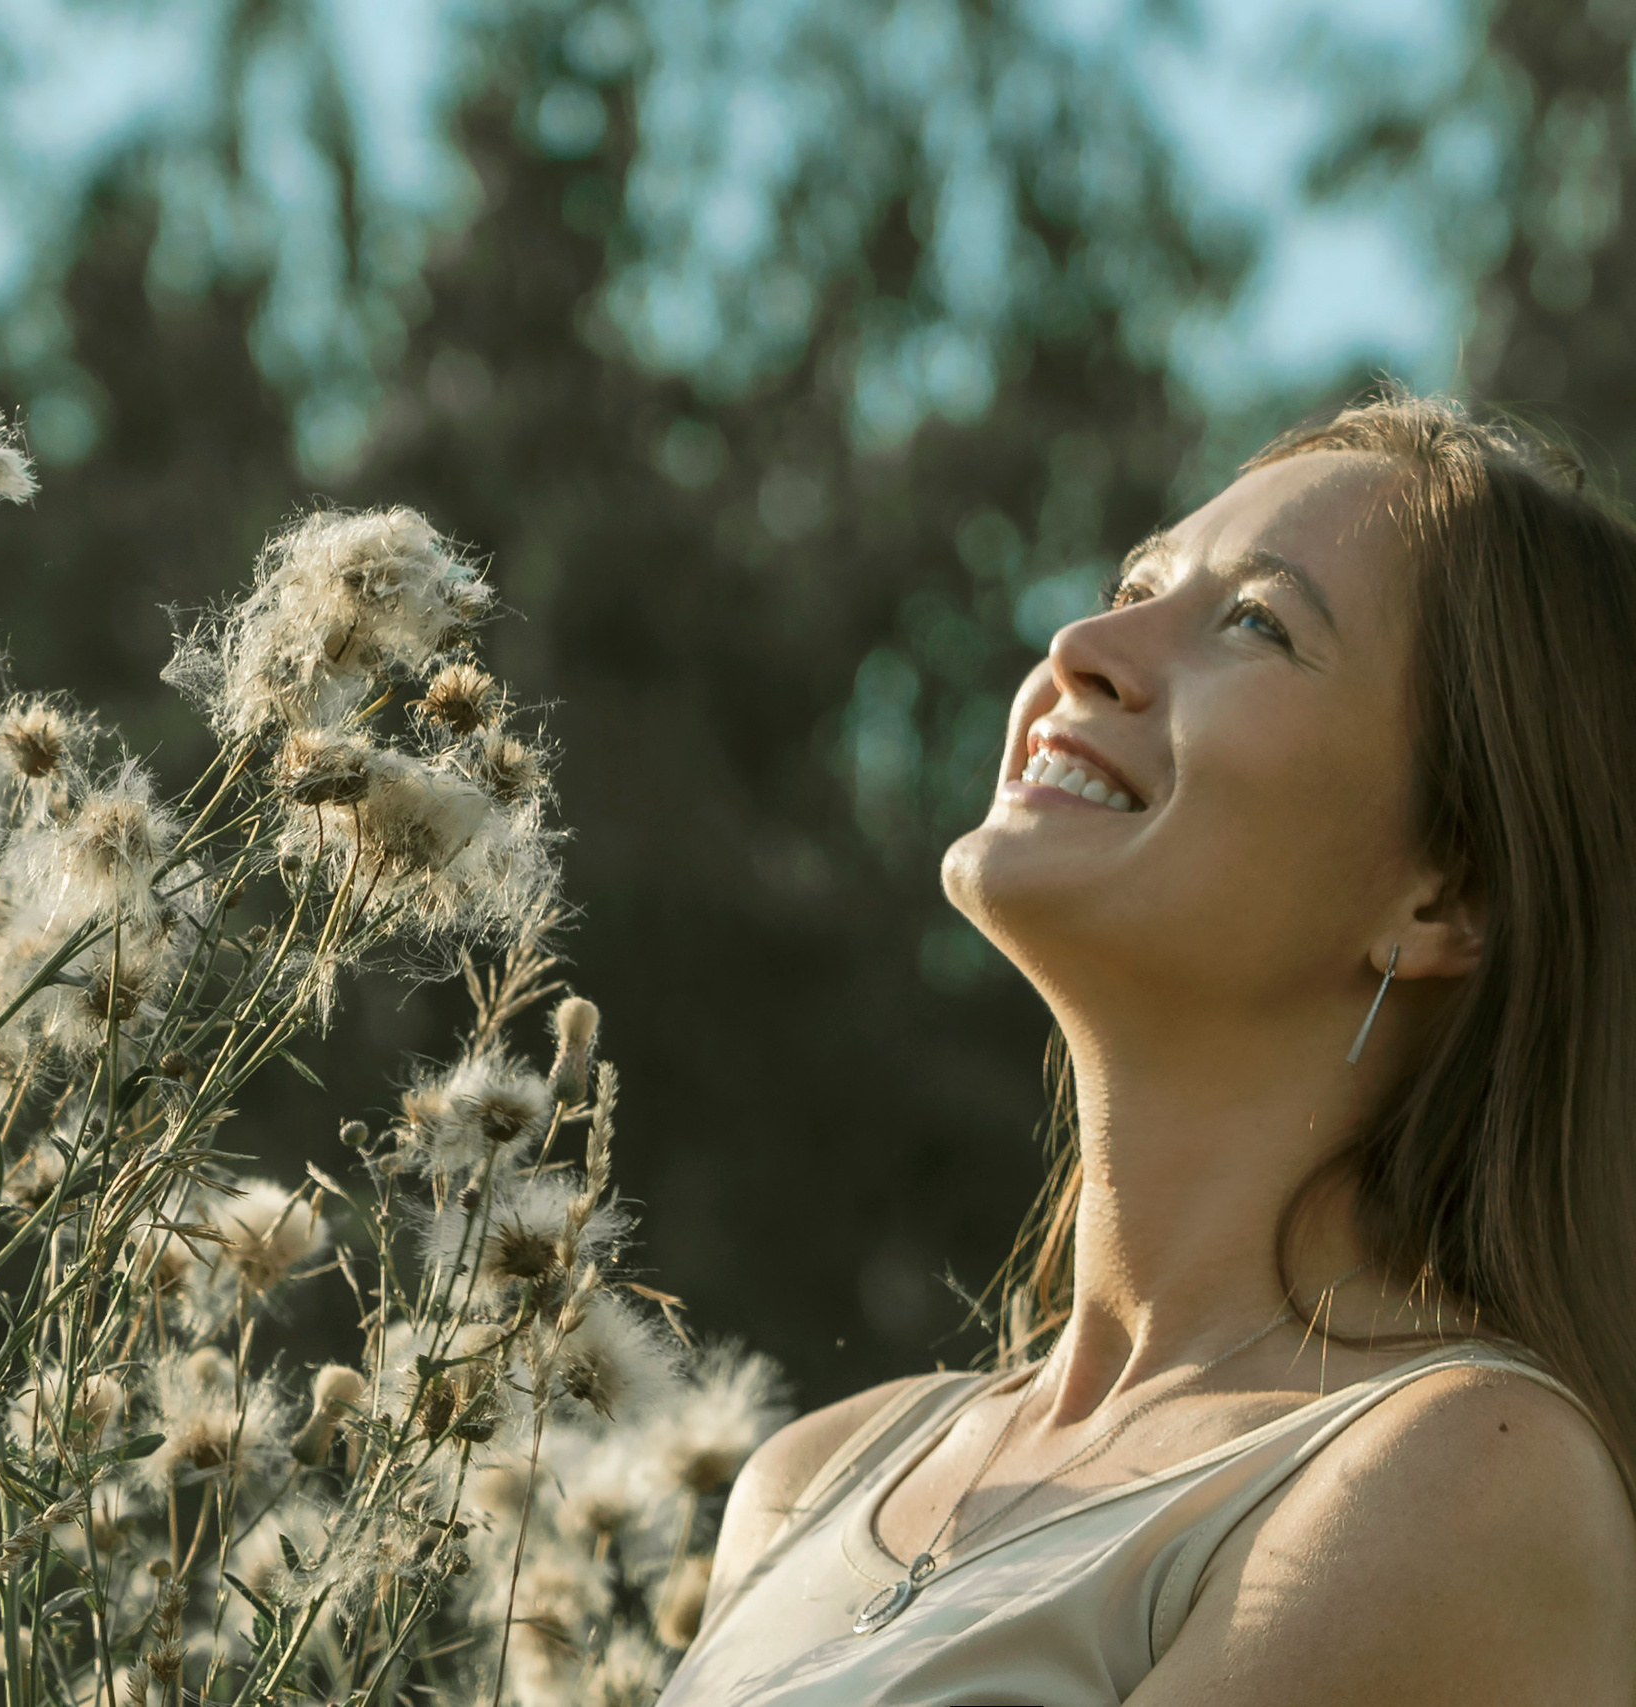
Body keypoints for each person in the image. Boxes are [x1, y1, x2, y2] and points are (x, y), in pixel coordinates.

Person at [657, 391, 1636, 1707]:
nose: (1081, 644)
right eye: (1138, 580)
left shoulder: (1460, 1479)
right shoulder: (813, 1480)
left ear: (1444, 897)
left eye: (1254, 623)